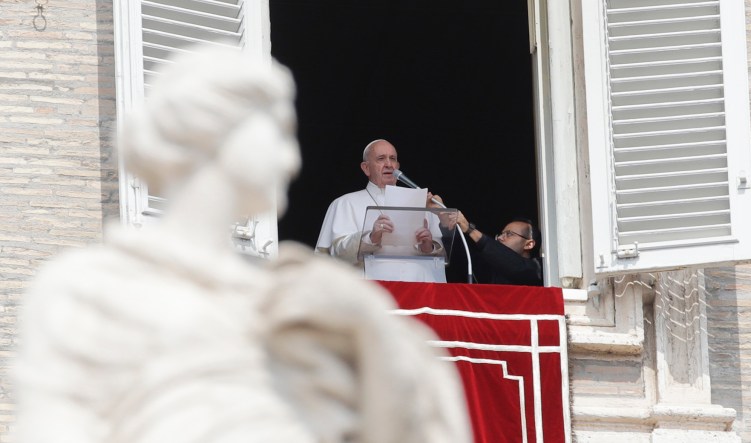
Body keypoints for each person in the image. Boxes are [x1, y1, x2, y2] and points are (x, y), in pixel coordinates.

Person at [15, 48, 471, 443]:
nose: (290, 158)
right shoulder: (89, 289)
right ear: (206, 136)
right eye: (273, 132)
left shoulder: (297, 295)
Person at [315, 139, 448, 282]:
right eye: (381, 159)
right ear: (366, 168)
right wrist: (371, 237)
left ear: (398, 166)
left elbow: (440, 259)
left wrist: (428, 245)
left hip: (419, 292)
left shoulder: (421, 203)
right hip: (371, 294)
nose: (389, 164)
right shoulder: (345, 203)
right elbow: (336, 254)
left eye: (393, 159)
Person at [458, 212, 543, 286]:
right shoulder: (491, 271)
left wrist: (470, 230)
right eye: (501, 234)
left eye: (509, 234)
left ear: (529, 244)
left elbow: (519, 268)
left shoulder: (542, 269)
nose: (500, 238)